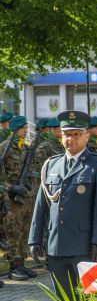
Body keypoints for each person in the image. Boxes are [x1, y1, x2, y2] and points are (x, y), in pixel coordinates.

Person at [29, 111, 97, 301]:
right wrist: (35, 238)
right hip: (56, 246)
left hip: (84, 247)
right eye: (67, 134)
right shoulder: (51, 165)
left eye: (76, 134)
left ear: (87, 135)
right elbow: (41, 204)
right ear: (61, 135)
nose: (71, 139)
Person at [0, 116, 37, 281]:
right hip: (12, 197)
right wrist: (12, 188)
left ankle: (21, 263)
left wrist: (28, 184)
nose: (26, 131)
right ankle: (13, 267)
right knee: (13, 231)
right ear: (15, 129)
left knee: (24, 229)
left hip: (25, 196)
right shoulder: (4, 148)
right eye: (23, 128)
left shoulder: (25, 148)